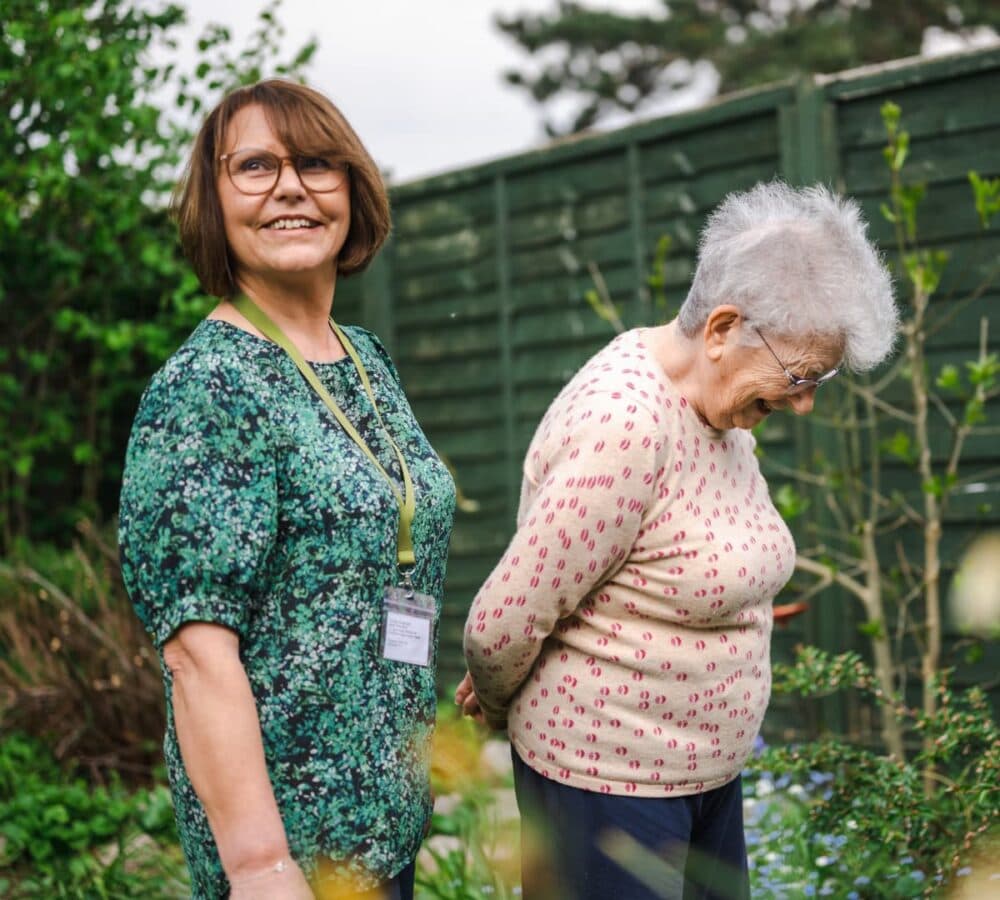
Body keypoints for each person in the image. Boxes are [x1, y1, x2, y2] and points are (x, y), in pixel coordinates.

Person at [456, 182, 898, 899]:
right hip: (608, 787)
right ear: (722, 328)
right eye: (799, 375)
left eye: (823, 378)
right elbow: (501, 623)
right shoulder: (625, 426)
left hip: (702, 779)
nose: (807, 402)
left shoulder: (717, 413)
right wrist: (502, 709)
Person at [119, 79, 456, 900]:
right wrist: (260, 867)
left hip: (384, 830)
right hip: (291, 857)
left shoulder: (364, 358)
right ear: (214, 198)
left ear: (352, 189)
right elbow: (197, 655)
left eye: (315, 163)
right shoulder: (208, 388)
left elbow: (392, 555)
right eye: (256, 167)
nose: (291, 187)